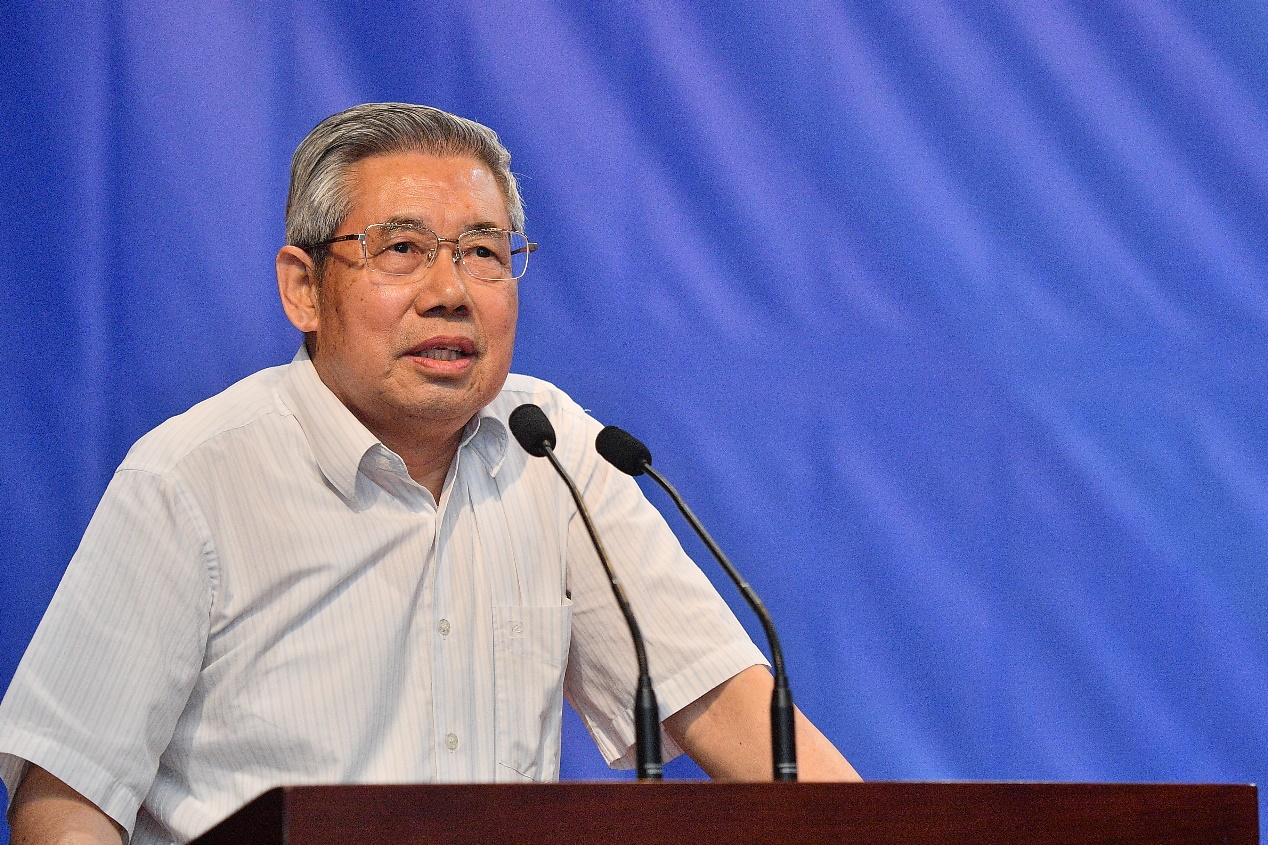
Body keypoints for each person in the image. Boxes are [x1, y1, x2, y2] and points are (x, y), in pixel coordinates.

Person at [0, 103, 859, 845]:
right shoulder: (192, 480)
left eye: (483, 251)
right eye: (403, 248)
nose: (450, 290)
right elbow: (66, 796)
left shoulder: (550, 450)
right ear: (303, 289)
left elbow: (730, 709)